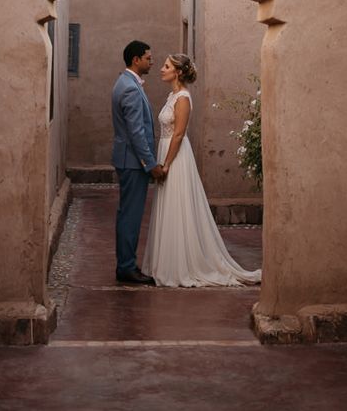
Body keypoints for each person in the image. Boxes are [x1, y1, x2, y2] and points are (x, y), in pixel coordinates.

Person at [142, 53, 261, 287]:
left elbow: (178, 133)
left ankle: (184, 265)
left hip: (176, 156)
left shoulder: (183, 97)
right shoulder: (172, 95)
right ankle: (167, 261)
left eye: (166, 66)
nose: (161, 69)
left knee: (179, 204)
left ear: (177, 72)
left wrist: (165, 163)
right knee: (168, 205)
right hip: (166, 149)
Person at [111, 40, 165, 285]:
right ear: (136, 59)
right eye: (148, 57)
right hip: (133, 162)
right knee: (130, 216)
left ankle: (126, 264)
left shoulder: (126, 83)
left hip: (129, 160)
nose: (152, 61)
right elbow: (136, 133)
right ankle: (126, 267)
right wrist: (150, 163)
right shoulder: (131, 88)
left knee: (127, 214)